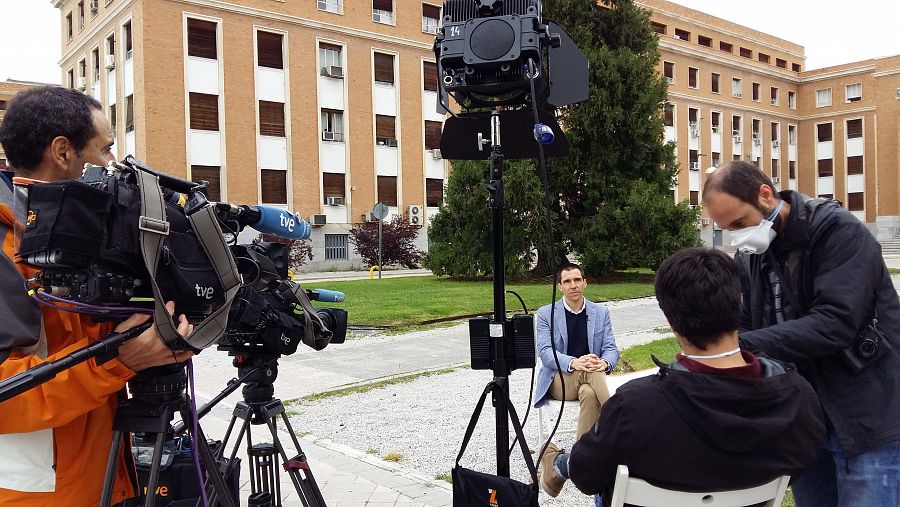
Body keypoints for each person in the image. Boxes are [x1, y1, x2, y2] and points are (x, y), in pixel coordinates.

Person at [0, 86, 194, 506]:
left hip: (102, 477)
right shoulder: (8, 248)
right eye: (104, 150)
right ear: (63, 152)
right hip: (38, 495)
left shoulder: (83, 240)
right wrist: (116, 363)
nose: (112, 164)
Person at [539, 248, 826, 506]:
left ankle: (558, 462)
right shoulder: (798, 398)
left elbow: (588, 476)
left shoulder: (635, 407)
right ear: (740, 301)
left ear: (670, 320)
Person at [702, 161, 900, 507]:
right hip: (805, 423)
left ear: (765, 195)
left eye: (738, 223)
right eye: (725, 229)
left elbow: (835, 323)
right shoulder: (753, 255)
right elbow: (746, 323)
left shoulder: (837, 232)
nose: (736, 236)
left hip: (867, 417)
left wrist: (742, 345)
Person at [534, 262, 618, 439]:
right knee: (590, 373)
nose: (573, 285)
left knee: (588, 392)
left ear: (584, 283)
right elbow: (545, 351)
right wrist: (574, 362)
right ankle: (625, 422)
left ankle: (583, 459)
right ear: (560, 287)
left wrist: (604, 362)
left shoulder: (601, 312)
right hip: (559, 379)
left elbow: (610, 348)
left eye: (577, 280)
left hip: (592, 378)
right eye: (567, 281)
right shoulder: (545, 313)